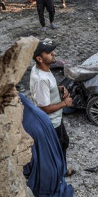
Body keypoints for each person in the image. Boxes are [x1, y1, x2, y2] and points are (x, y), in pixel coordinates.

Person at [19, 93, 73, 197]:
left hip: (42, 165)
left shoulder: (25, 125)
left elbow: (28, 153)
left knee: (44, 192)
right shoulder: (37, 114)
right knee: (55, 185)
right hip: (54, 158)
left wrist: (26, 171)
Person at [29, 39, 74, 177]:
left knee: (63, 143)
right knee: (57, 148)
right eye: (49, 53)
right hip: (50, 122)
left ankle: (60, 171)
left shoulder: (42, 69)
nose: (53, 54)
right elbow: (44, 108)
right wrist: (65, 103)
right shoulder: (41, 79)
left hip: (55, 119)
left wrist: (59, 89)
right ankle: (58, 174)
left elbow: (46, 92)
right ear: (39, 58)